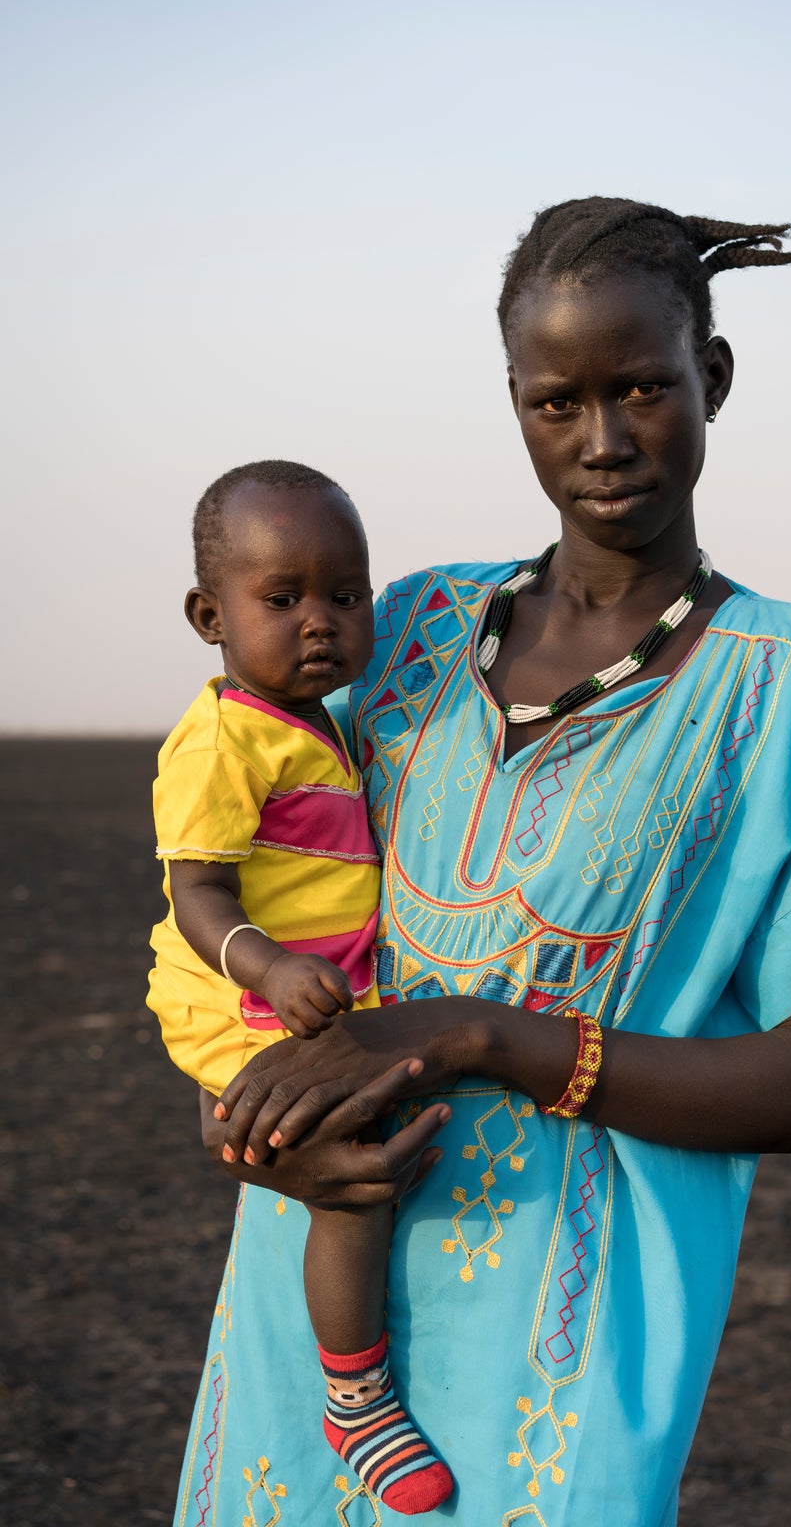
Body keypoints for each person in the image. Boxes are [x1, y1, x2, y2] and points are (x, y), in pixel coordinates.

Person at [177, 199, 791, 1527]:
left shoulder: (784, 680)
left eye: (644, 389)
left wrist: (487, 1034)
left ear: (710, 378)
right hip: (317, 1289)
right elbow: (247, 912)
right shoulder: (404, 632)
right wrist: (249, 1136)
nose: (603, 440)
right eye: (557, 403)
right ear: (513, 406)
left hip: (571, 1349)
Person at [147, 459, 454, 1514]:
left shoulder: (319, 722)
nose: (318, 622)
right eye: (281, 600)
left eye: (344, 595)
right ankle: (354, 1395)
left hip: (293, 991)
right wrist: (273, 968)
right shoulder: (223, 737)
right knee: (352, 1169)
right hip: (237, 997)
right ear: (209, 614)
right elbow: (197, 891)